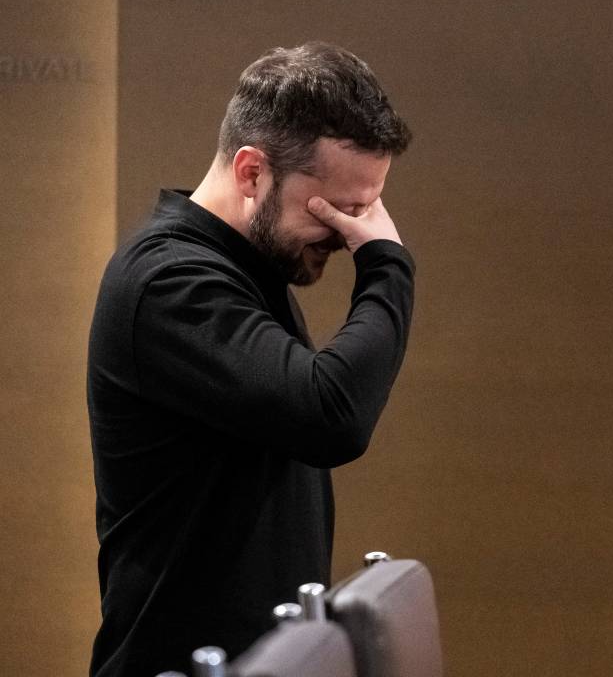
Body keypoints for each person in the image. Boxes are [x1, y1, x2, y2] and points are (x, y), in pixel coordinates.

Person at [86, 42, 415, 676]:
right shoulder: (171, 282)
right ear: (251, 173)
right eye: (340, 212)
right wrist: (388, 266)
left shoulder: (249, 270)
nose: (354, 237)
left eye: (367, 212)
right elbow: (331, 414)